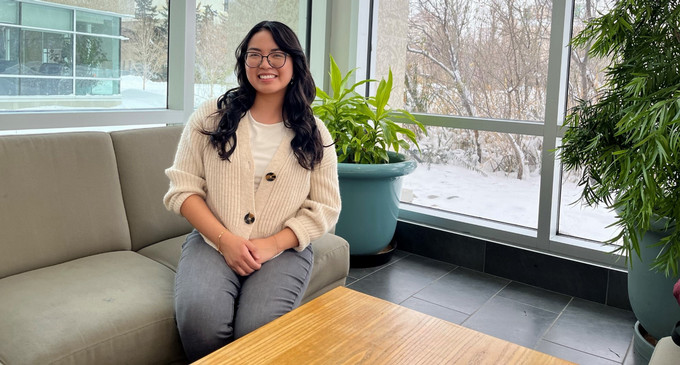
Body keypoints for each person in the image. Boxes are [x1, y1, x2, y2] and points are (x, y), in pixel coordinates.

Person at [163, 20, 341, 361]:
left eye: (276, 56)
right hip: (213, 240)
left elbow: (325, 207)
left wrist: (272, 244)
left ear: (294, 64)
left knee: (258, 330)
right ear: (243, 63)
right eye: (254, 55)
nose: (265, 65)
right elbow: (182, 189)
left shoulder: (314, 131)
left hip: (284, 248)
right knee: (200, 320)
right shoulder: (211, 117)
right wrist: (225, 241)